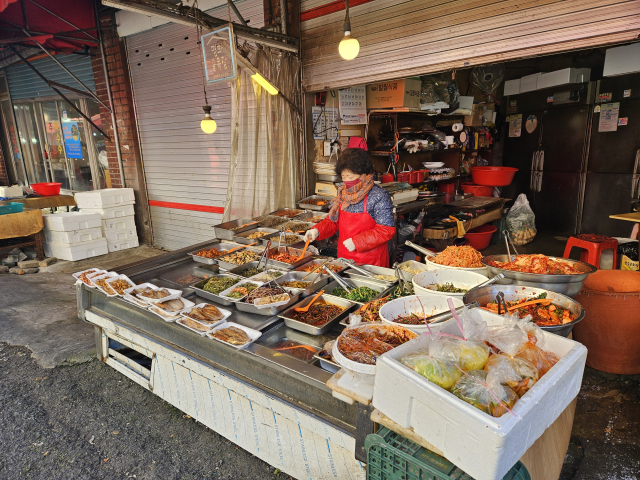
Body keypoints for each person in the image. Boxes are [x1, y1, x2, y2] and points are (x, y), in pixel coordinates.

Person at [304, 148, 396, 267]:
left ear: (363, 175)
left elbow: (386, 230)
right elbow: (334, 221)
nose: (347, 181)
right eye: (344, 177)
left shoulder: (378, 195)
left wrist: (357, 242)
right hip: (344, 259)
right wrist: (317, 230)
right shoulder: (343, 194)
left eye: (351, 177)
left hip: (371, 261)